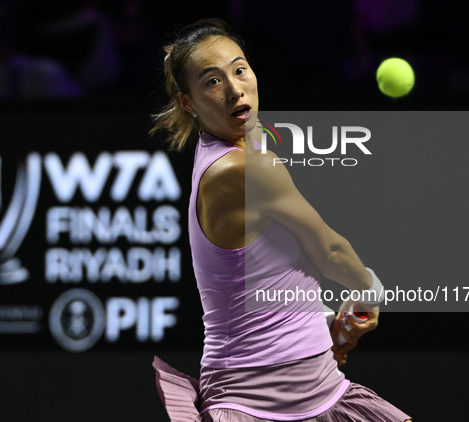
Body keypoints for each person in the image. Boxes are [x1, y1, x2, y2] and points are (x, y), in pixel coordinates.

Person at [150, 19, 411, 422]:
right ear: (188, 102)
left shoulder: (241, 148)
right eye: (212, 81)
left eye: (239, 70)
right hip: (251, 404)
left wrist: (319, 321)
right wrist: (369, 288)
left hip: (320, 388)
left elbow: (260, 271)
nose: (235, 88)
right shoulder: (241, 169)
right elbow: (329, 250)